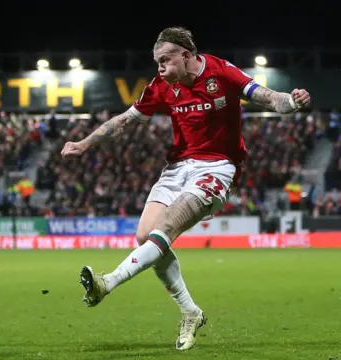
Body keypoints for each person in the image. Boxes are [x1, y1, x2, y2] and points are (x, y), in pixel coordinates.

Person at [60, 27, 311, 351]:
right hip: (177, 167)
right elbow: (124, 121)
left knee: (165, 229)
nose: (160, 68)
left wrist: (291, 100)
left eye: (165, 60)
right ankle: (190, 312)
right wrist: (84, 143)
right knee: (144, 236)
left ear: (187, 55)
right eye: (157, 62)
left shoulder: (221, 72)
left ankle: (106, 283)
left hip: (218, 166)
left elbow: (268, 97)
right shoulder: (162, 86)